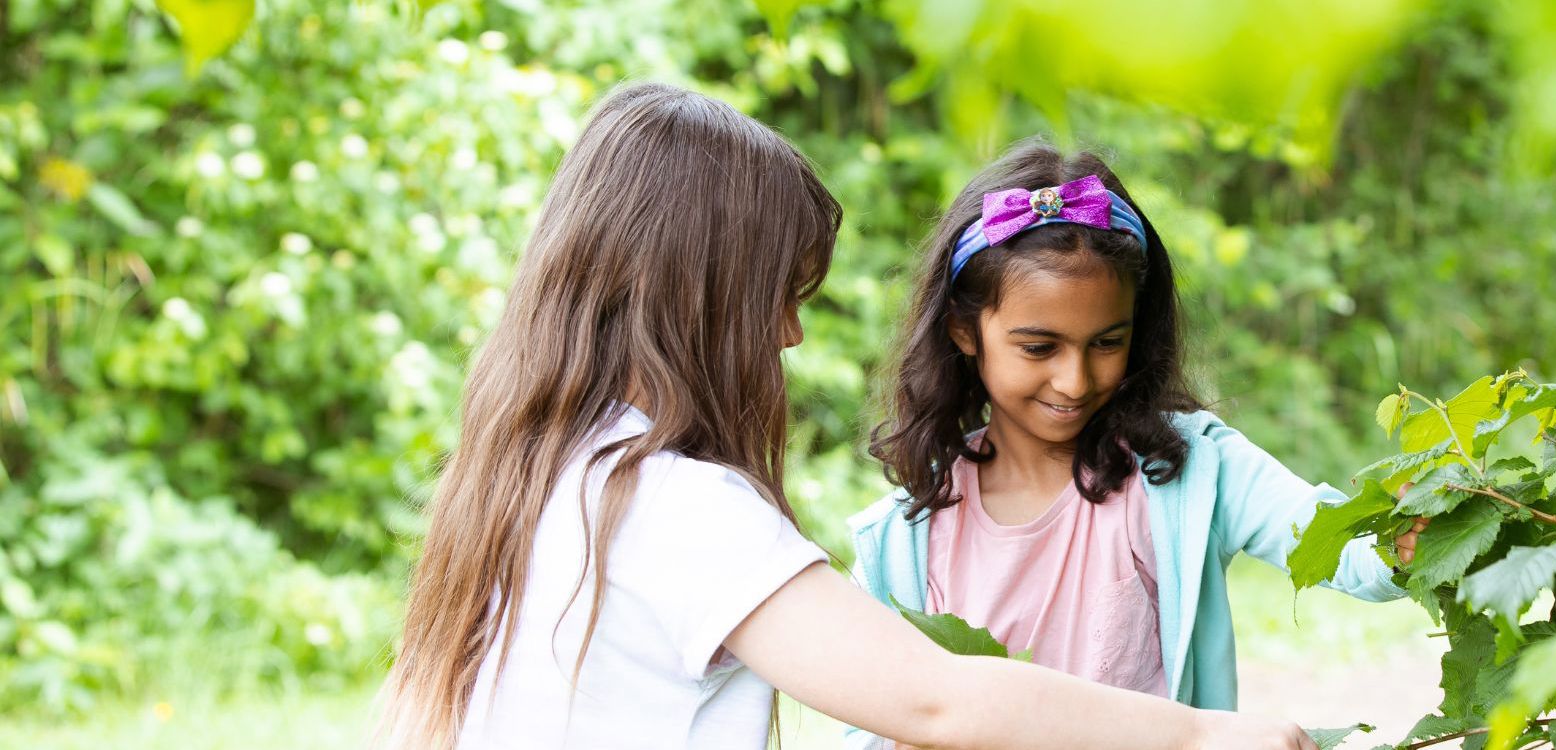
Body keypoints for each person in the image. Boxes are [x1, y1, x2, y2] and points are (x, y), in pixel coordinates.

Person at [374, 85, 1323, 750]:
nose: (788, 333)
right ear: (697, 299)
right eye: (780, 295)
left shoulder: (548, 473)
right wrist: (1204, 733)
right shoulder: (673, 506)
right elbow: (935, 699)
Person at [853, 142, 1426, 745]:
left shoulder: (1193, 470)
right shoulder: (902, 541)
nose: (1075, 381)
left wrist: (1401, 531)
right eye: (1039, 348)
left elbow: (1335, 540)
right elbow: (868, 725)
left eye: (1106, 342)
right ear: (965, 331)